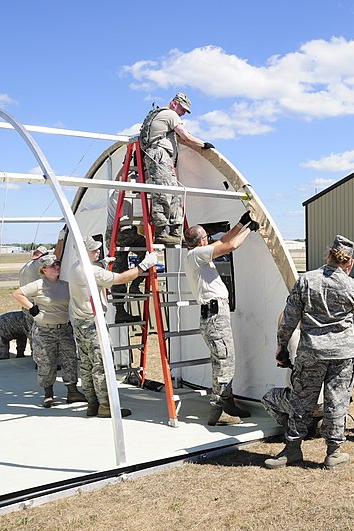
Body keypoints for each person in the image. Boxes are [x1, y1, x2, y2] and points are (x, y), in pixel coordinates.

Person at [265, 235, 354, 470]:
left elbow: (289, 318)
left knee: (301, 400)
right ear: (349, 262)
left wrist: (282, 346)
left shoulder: (306, 280)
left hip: (312, 352)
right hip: (342, 354)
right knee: (337, 401)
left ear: (328, 254)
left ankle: (292, 449)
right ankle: (333, 452)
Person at [69, 237, 158, 418]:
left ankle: (92, 404)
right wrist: (144, 265)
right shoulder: (90, 271)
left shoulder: (75, 267)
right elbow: (120, 279)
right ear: (85, 252)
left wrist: (101, 263)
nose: (98, 252)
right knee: (102, 365)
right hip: (93, 324)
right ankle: (106, 406)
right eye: (94, 250)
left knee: (87, 366)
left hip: (80, 323)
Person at [184, 213, 258, 426]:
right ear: (201, 241)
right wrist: (249, 230)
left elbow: (223, 242)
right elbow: (231, 245)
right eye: (206, 237)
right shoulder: (197, 254)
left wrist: (241, 223)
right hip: (215, 317)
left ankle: (228, 402)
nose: (209, 239)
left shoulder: (196, 254)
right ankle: (218, 411)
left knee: (221, 361)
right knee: (225, 363)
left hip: (213, 315)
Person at [139, 92, 215, 245]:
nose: (183, 114)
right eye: (182, 109)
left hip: (161, 157)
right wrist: (204, 144)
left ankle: (174, 231)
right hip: (159, 156)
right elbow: (185, 136)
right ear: (174, 103)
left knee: (174, 193)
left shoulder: (160, 116)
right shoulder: (170, 114)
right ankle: (162, 232)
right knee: (163, 193)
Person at [13, 254, 85, 408]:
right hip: (44, 331)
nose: (57, 267)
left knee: (70, 360)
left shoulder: (66, 285)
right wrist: (31, 308)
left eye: (57, 264)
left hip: (64, 329)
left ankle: (72, 392)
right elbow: (17, 294)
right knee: (46, 362)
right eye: (53, 265)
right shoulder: (38, 285)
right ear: (44, 269)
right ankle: (48, 394)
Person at [105, 190, 147, 324]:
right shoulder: (119, 192)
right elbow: (120, 178)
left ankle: (120, 311)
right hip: (121, 233)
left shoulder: (125, 194)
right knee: (147, 250)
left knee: (119, 269)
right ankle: (135, 285)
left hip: (115, 235)